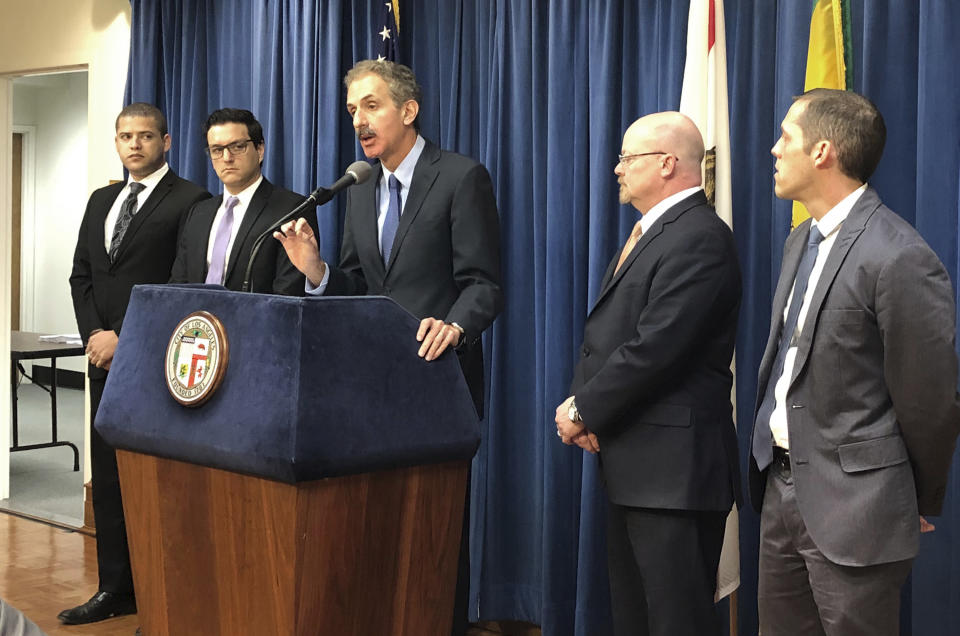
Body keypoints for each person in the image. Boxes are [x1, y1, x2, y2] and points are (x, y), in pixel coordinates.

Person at [274, 60, 502, 635]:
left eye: (371, 106)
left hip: (437, 381)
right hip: (370, 390)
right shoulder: (359, 187)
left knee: (434, 531)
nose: (359, 120)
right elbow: (357, 285)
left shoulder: (459, 177)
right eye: (352, 110)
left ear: (408, 110)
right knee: (377, 526)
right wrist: (317, 270)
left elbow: (484, 284)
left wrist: (454, 325)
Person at [749, 88, 960, 636]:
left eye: (785, 138)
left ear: (822, 152)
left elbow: (930, 399)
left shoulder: (900, 255)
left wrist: (911, 495)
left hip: (858, 509)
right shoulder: (799, 240)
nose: (773, 150)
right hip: (781, 488)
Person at [555, 111, 741, 636]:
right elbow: (608, 337)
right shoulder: (653, 232)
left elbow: (657, 348)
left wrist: (582, 408)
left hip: (675, 477)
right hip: (637, 466)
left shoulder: (700, 237)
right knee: (635, 619)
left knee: (675, 622)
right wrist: (588, 408)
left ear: (667, 163)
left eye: (626, 158)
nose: (616, 169)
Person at [66, 103, 210, 624]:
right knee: (106, 478)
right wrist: (95, 339)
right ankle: (114, 589)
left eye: (145, 136)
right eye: (125, 136)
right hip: (102, 361)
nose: (134, 145)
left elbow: (182, 280)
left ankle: (162, 591)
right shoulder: (102, 199)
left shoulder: (193, 199)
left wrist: (124, 338)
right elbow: (82, 276)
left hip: (156, 359)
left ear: (166, 142)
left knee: (155, 482)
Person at [169, 108, 314, 294]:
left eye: (237, 147)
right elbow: (177, 287)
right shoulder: (198, 213)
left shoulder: (291, 210)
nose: (227, 158)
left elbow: (288, 295)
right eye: (217, 150)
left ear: (259, 149)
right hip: (197, 321)